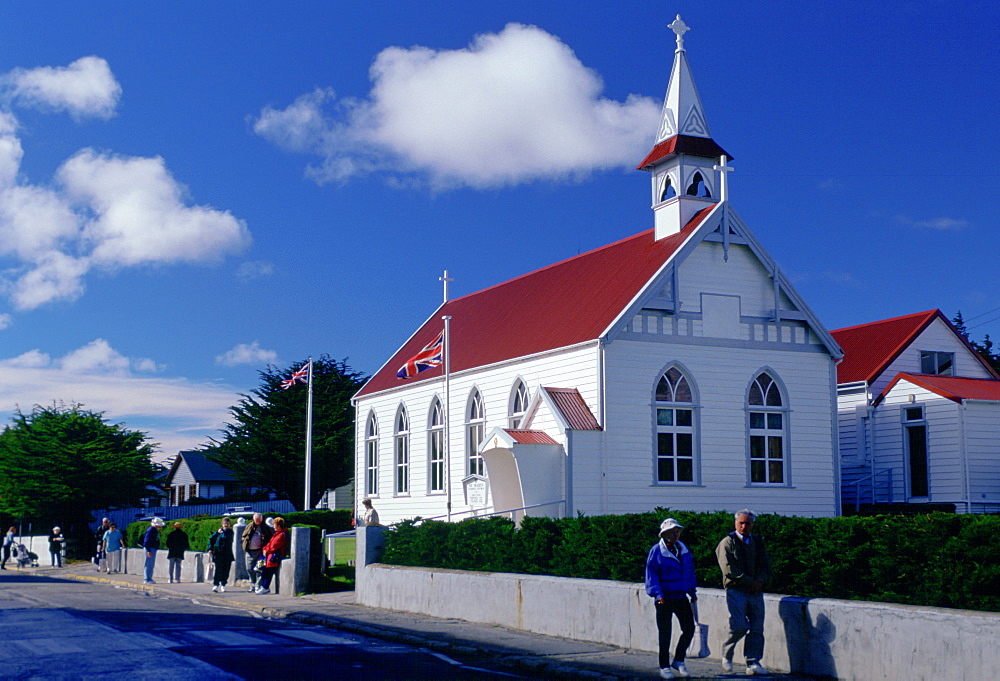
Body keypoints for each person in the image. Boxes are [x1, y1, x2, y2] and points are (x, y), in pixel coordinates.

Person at [716, 509, 771, 676]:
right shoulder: (727, 542)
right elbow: (729, 569)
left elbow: (765, 564)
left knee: (756, 628)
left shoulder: (757, 542)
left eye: (747, 523)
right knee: (739, 626)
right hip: (736, 589)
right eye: (741, 523)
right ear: (735, 523)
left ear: (752, 525)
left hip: (755, 591)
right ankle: (727, 652)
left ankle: (753, 662)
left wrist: (760, 580)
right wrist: (749, 581)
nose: (744, 526)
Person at [645, 518, 697, 679]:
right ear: (665, 534)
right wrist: (658, 594)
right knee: (665, 632)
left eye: (677, 531)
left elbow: (689, 571)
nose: (676, 534)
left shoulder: (683, 549)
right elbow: (651, 573)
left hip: (680, 595)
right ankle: (664, 666)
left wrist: (692, 591)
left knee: (689, 628)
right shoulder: (657, 550)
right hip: (665, 597)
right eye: (672, 532)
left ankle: (679, 659)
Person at [255, 517, 288, 595]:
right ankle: (263, 587)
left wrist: (266, 550)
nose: (273, 527)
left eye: (275, 525)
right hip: (269, 556)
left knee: (267, 572)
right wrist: (265, 548)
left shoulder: (281, 535)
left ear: (279, 526)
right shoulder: (277, 534)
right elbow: (270, 544)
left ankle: (265, 588)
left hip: (273, 558)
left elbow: (274, 546)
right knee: (263, 571)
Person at [241, 512, 273, 592]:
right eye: (256, 520)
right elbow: (244, 536)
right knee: (249, 568)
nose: (258, 522)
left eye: (259, 520)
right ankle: (252, 584)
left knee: (259, 569)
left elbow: (269, 539)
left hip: (260, 552)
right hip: (249, 551)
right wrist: (244, 544)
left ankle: (257, 586)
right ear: (253, 520)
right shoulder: (249, 526)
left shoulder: (265, 528)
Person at [208, 517, 235, 592]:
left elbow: (232, 540)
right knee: (218, 569)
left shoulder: (231, 532)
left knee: (226, 569)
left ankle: (223, 584)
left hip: (227, 553)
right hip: (219, 553)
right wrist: (210, 549)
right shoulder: (218, 532)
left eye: (227, 523)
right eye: (225, 523)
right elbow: (211, 539)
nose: (226, 525)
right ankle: (216, 585)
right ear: (222, 524)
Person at [142, 517, 165, 584]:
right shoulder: (151, 530)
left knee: (150, 564)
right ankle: (147, 579)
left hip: (151, 548)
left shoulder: (153, 530)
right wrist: (149, 550)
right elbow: (146, 541)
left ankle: (148, 578)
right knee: (149, 564)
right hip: (150, 548)